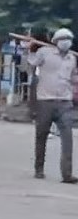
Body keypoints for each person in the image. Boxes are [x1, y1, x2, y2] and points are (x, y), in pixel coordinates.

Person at [25, 28, 78, 183]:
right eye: (62, 39)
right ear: (55, 41)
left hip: (65, 102)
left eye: (68, 39)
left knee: (68, 138)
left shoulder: (72, 58)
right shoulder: (45, 53)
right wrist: (30, 48)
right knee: (41, 136)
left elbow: (74, 78)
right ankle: (39, 168)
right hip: (45, 101)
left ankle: (67, 174)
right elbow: (31, 63)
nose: (65, 41)